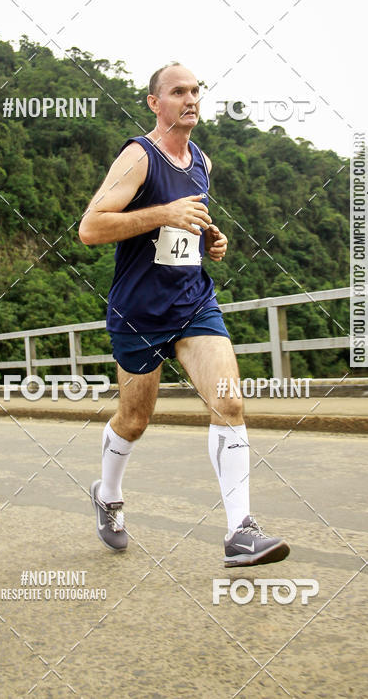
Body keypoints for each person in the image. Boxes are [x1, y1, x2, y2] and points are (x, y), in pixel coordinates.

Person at [78, 62, 290, 567]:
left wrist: (208, 237)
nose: (190, 98)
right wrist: (163, 215)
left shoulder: (202, 161)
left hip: (193, 301)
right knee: (135, 419)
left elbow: (187, 222)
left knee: (229, 403)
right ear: (155, 103)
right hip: (138, 312)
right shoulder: (138, 157)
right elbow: (90, 227)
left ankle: (240, 530)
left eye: (196, 90)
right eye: (178, 92)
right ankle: (107, 495)